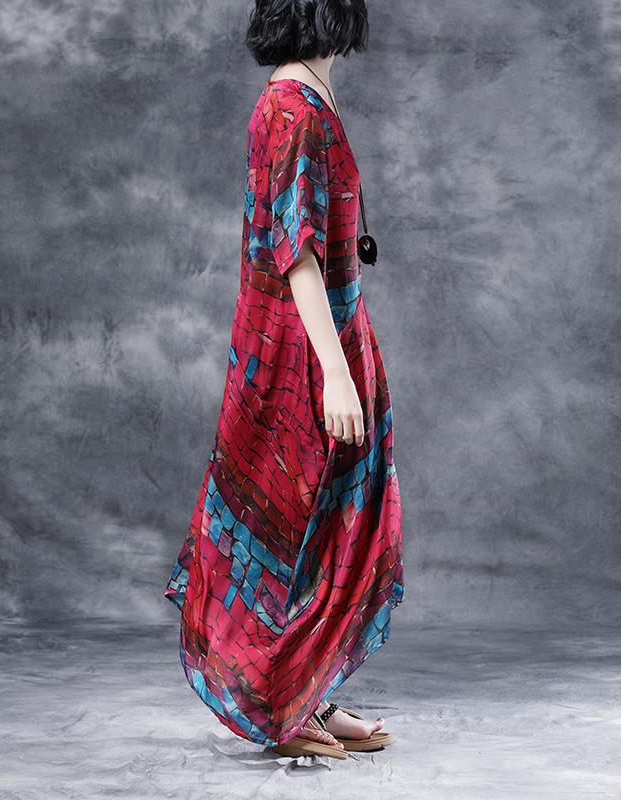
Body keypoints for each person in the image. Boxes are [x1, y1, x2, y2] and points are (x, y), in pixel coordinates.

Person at [164, 0, 404, 760]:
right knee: (293, 523)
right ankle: (283, 707)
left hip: (326, 333)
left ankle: (311, 691)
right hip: (298, 352)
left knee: (329, 519)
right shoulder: (293, 109)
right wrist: (334, 372)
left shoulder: (304, 96)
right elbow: (294, 249)